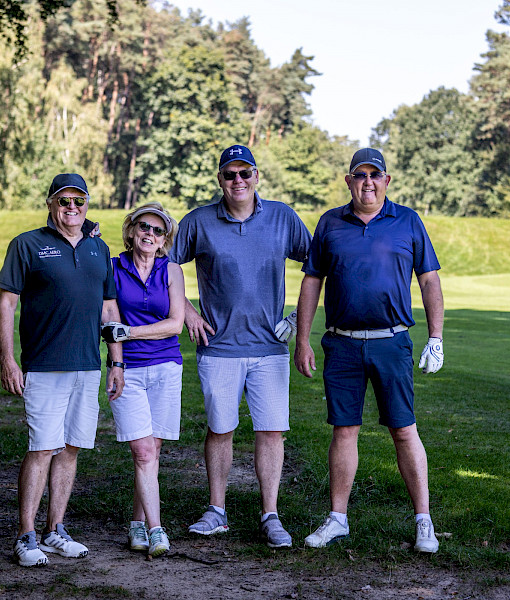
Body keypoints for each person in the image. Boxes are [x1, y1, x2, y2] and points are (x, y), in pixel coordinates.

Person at [294, 148, 445, 553]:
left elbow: (429, 281)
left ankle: (424, 521)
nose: (367, 182)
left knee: (403, 429)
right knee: (344, 430)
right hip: (341, 343)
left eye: (374, 175)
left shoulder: (408, 221)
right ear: (348, 181)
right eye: (359, 175)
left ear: (386, 180)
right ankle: (338, 519)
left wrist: (435, 337)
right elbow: (312, 282)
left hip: (392, 343)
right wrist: (302, 338)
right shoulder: (330, 223)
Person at [169, 144, 311, 548]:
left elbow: (318, 265)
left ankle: (270, 515)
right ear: (220, 179)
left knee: (271, 432)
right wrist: (188, 314)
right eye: (230, 174)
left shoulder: (282, 217)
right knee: (220, 429)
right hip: (219, 348)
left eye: (245, 173)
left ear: (256, 176)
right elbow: (166, 264)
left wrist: (297, 322)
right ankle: (217, 511)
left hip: (270, 349)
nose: (238, 181)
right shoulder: (198, 221)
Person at [0, 173, 125, 567]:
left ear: (87, 204)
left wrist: (116, 360)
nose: (72, 208)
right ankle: (25, 536)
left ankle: (55, 530)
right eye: (64, 201)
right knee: (41, 448)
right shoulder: (27, 245)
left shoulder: (98, 248)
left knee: (70, 449)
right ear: (51, 203)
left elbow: (108, 309)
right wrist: (8, 359)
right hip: (45, 366)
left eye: (79, 201)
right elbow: (6, 305)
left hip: (87, 367)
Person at [105, 202, 185, 558]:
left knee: (152, 453)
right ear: (131, 230)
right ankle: (157, 530)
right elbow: (110, 323)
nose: (149, 234)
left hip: (167, 366)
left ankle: (137, 524)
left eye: (157, 230)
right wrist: (116, 362)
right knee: (142, 451)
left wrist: (131, 331)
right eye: (143, 227)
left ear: (164, 238)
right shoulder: (113, 268)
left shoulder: (172, 271)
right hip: (131, 371)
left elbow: (175, 324)